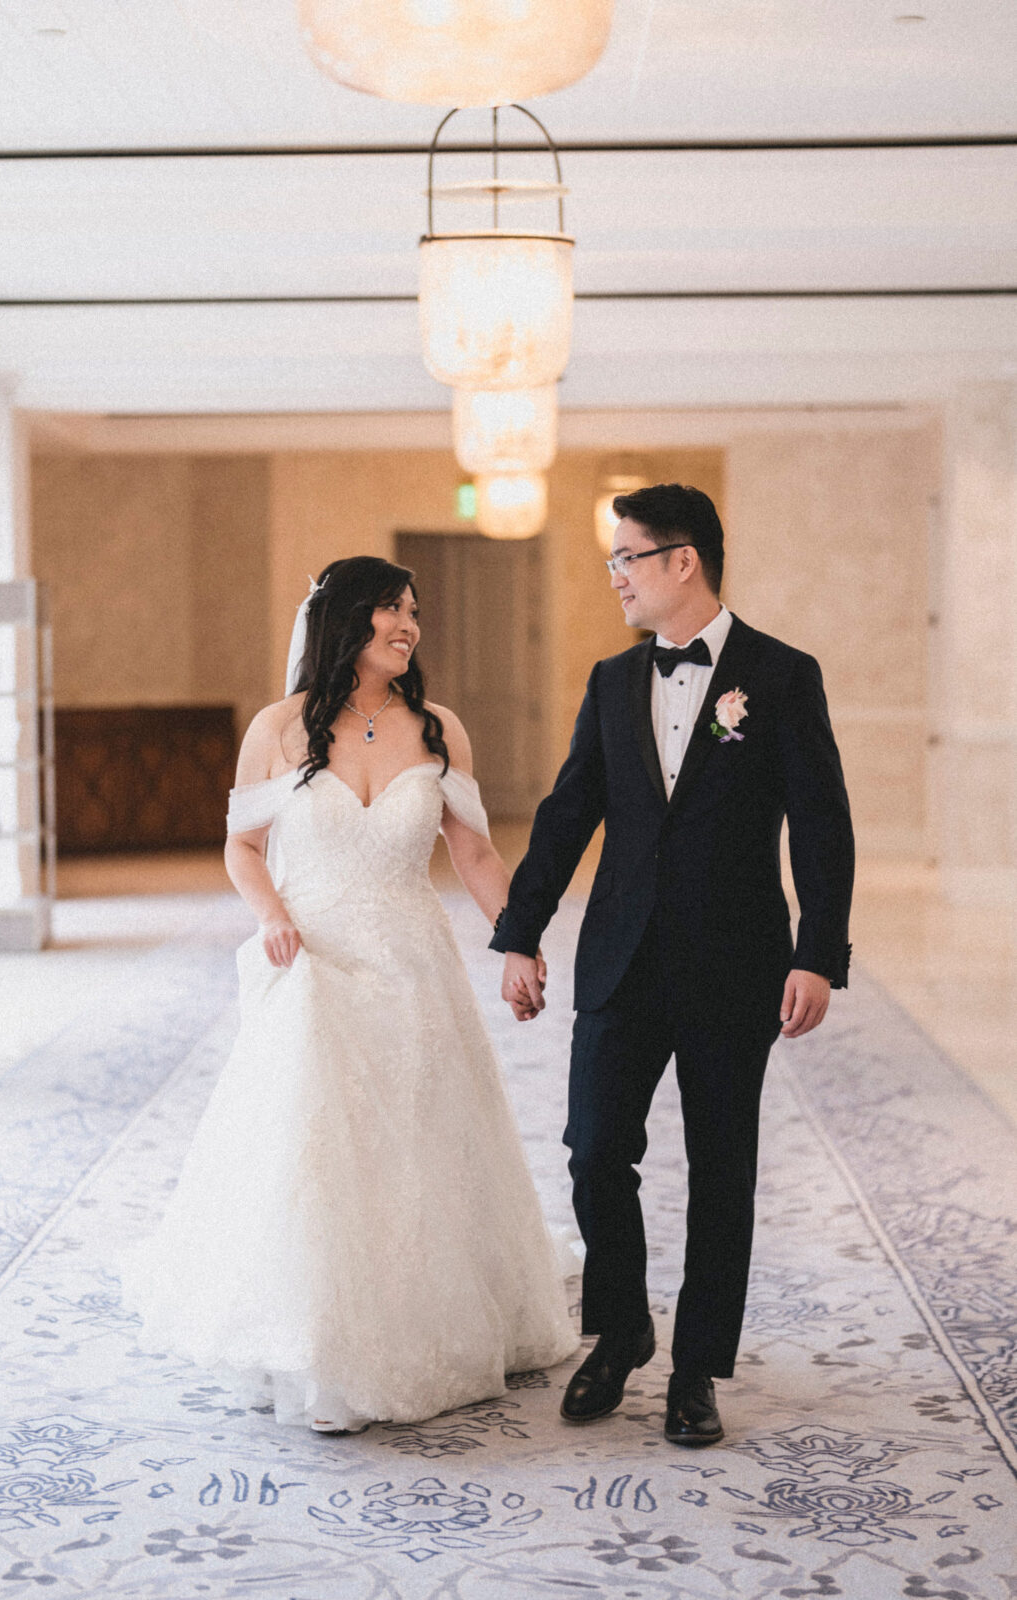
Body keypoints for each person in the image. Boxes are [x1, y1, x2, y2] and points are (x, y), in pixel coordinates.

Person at [121, 554, 578, 1433]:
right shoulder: (279, 728)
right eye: (389, 610)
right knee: (318, 1146)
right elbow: (242, 847)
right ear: (344, 622)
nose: (408, 625)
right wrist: (270, 917)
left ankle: (428, 1315)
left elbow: (474, 852)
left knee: (418, 1136)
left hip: (412, 963)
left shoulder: (438, 728)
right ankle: (323, 1334)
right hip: (315, 961)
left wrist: (518, 940)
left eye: (413, 611)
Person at [492, 484, 855, 1444]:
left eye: (626, 558)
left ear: (680, 560)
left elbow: (821, 824)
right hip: (619, 959)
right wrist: (519, 932)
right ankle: (620, 1332)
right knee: (593, 1148)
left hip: (736, 964)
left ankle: (695, 1370)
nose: (612, 576)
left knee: (721, 1169)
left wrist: (819, 953)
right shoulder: (612, 681)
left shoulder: (780, 676)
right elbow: (570, 811)